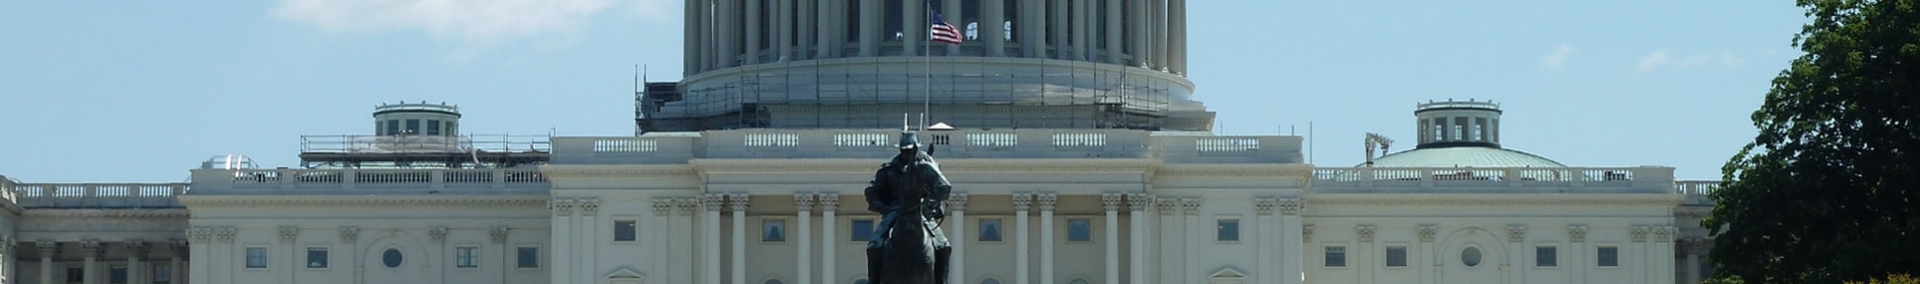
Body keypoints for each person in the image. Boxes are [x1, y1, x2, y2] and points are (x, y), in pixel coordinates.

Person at [865, 132, 954, 284]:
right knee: (874, 245)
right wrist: (885, 208)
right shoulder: (890, 169)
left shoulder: (926, 164)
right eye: (904, 150)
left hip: (922, 211)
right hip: (895, 210)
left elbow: (938, 188)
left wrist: (932, 204)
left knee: (943, 244)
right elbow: (872, 192)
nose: (907, 153)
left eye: (909, 150)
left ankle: (941, 281)